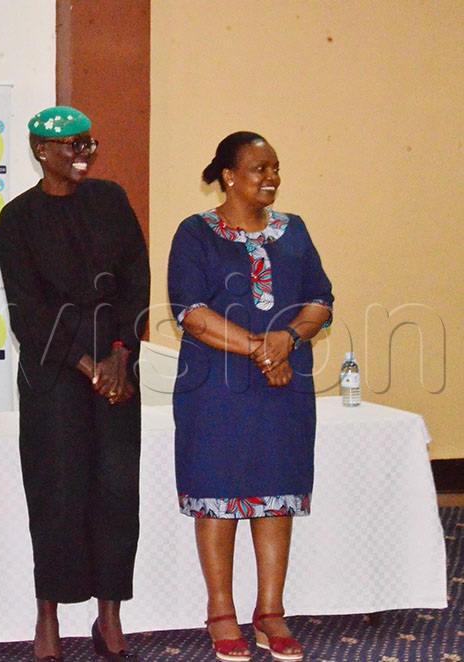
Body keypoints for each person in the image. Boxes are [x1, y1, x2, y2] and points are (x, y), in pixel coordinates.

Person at [167, 131, 334, 662]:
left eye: (276, 168)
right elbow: (189, 310)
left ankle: (270, 612)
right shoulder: (195, 233)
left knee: (276, 488)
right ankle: (221, 612)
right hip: (215, 386)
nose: (272, 178)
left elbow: (320, 300)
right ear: (229, 176)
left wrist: (289, 340)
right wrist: (262, 349)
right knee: (217, 492)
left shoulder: (295, 230)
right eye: (259, 168)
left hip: (284, 384)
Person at [0, 106, 150, 661]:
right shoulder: (18, 218)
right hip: (53, 374)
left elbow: (137, 279)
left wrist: (117, 355)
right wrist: (87, 366)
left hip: (116, 368)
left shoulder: (111, 200)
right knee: (57, 493)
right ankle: (49, 615)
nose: (84, 155)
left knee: (115, 491)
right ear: (41, 151)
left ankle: (109, 613)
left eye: (89, 144)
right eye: (72, 147)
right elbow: (27, 311)